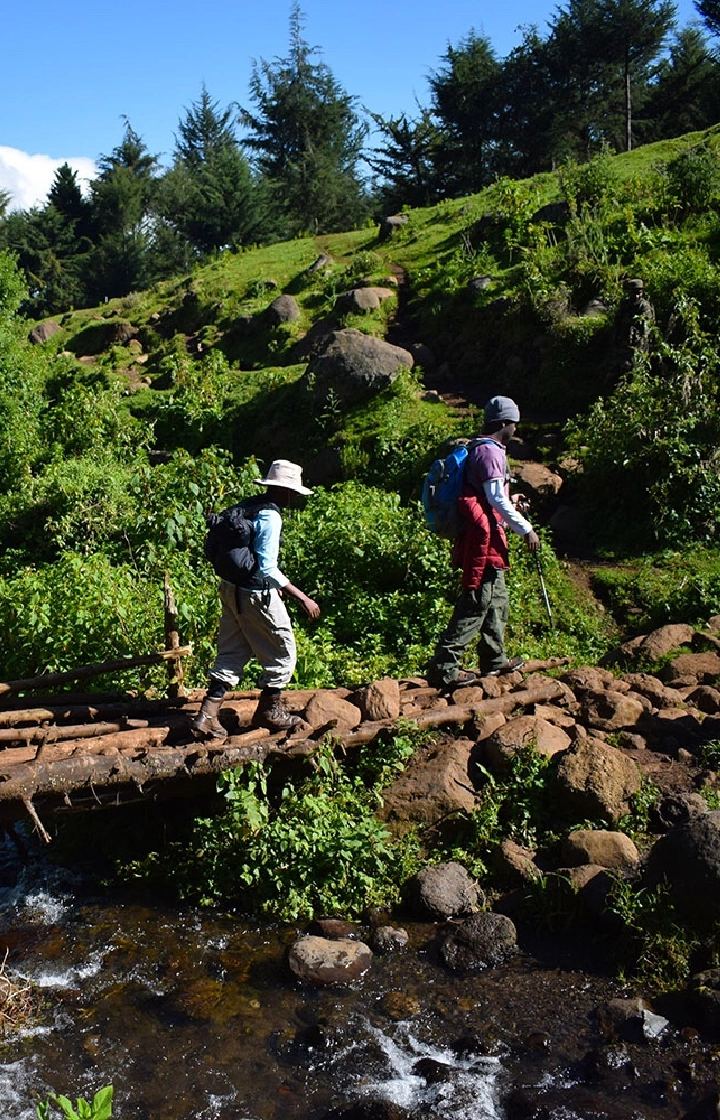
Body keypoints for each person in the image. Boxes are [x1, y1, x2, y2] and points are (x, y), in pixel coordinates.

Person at [191, 459, 320, 740]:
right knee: (284, 652)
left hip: (230, 589)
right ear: (285, 491)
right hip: (255, 594)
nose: (295, 497)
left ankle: (206, 716)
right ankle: (269, 712)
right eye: (293, 492)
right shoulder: (271, 517)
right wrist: (302, 597)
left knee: (231, 652)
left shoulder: (249, 505)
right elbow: (267, 568)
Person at [426, 395, 540, 690]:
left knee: (497, 602)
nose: (515, 429)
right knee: (476, 603)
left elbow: (492, 496)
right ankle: (444, 668)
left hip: (489, 535)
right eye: (513, 423)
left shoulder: (483, 450)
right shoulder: (490, 454)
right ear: (504, 423)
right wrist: (526, 529)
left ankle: (493, 658)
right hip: (483, 540)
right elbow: (495, 498)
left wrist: (512, 503)